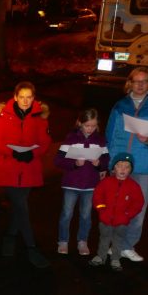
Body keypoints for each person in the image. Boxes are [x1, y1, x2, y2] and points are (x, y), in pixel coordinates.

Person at [105, 66, 148, 262]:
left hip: (143, 164)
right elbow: (109, 134)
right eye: (136, 81)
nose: (140, 85)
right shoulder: (120, 105)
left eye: (144, 81)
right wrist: (110, 162)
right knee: (117, 206)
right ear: (130, 83)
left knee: (139, 206)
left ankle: (127, 245)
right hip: (120, 164)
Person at [0, 81, 52, 268]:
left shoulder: (40, 117)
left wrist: (32, 153)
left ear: (34, 98)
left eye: (29, 97)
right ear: (15, 97)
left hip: (29, 168)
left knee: (19, 206)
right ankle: (31, 247)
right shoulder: (4, 116)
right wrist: (14, 152)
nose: (25, 101)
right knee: (22, 207)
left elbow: (45, 141)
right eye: (22, 97)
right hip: (9, 167)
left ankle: (9, 236)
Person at [53, 108, 109, 256]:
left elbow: (106, 161)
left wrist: (99, 164)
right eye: (87, 125)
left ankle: (82, 241)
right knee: (66, 213)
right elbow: (58, 160)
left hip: (90, 185)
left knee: (85, 215)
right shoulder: (71, 138)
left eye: (93, 126)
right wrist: (74, 164)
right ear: (80, 123)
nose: (90, 129)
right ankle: (63, 241)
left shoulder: (100, 140)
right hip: (71, 183)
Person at [89, 153, 144, 271]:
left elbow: (138, 203)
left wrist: (127, 215)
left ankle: (115, 258)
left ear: (130, 170)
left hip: (122, 221)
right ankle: (101, 256)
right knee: (104, 238)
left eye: (127, 167)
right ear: (114, 168)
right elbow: (97, 196)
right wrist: (101, 209)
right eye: (119, 166)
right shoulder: (105, 182)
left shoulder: (134, 186)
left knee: (118, 240)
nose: (123, 169)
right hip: (105, 218)